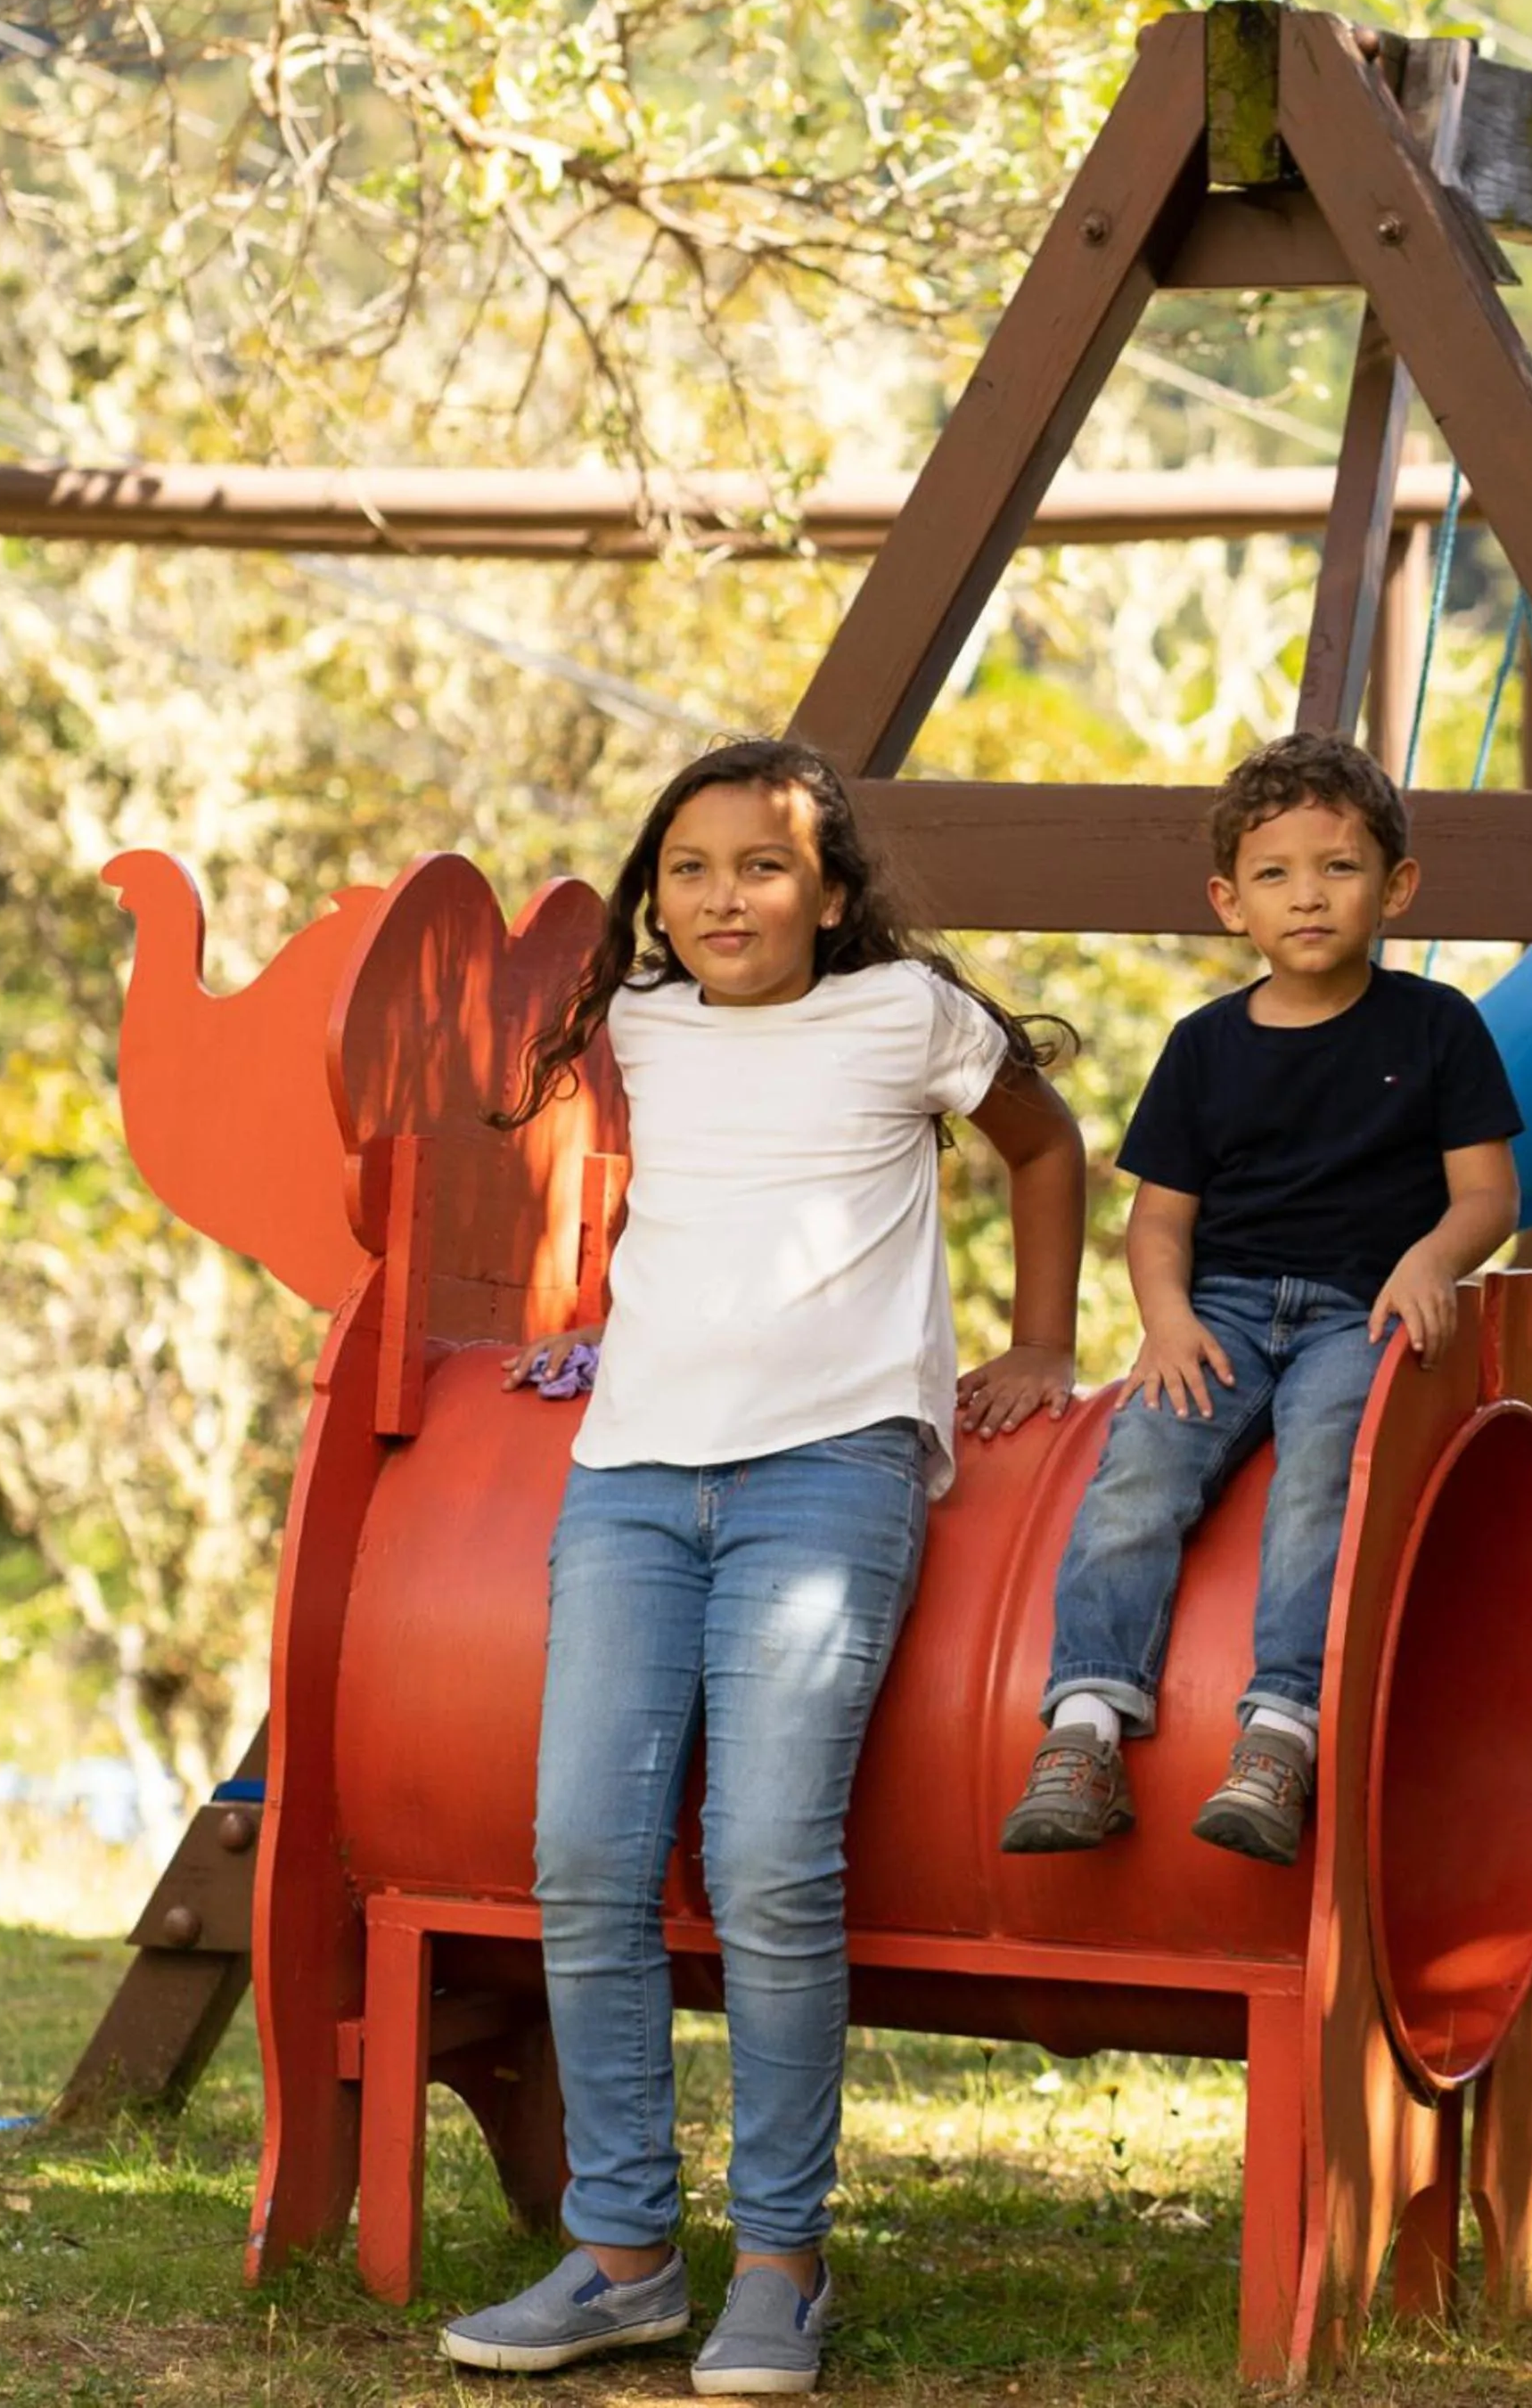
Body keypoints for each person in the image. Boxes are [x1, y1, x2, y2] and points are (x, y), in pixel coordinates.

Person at [443, 737, 1085, 2395]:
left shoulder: (909, 1019)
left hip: (833, 1475)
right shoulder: (637, 1029)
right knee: (585, 1854)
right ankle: (623, 2255)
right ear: (658, 899)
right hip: (634, 1480)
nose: (726, 896)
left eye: (766, 865)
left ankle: (782, 2271)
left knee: (772, 1869)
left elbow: (1046, 1146)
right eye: (694, 870)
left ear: (836, 891)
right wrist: (576, 1322)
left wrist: (1042, 1346)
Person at [998, 732, 1520, 1867]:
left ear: (1398, 885)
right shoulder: (1204, 1046)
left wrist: (1433, 1260)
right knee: (1141, 1462)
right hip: (1222, 1310)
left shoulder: (1437, 1028)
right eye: (1276, 875)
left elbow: (1488, 1193)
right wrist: (1167, 1319)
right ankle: (1085, 1722)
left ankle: (1283, 1728)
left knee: (1330, 1466)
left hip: (1360, 1311)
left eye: (1339, 867)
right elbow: (1160, 1219)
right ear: (1231, 902)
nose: (1310, 896)